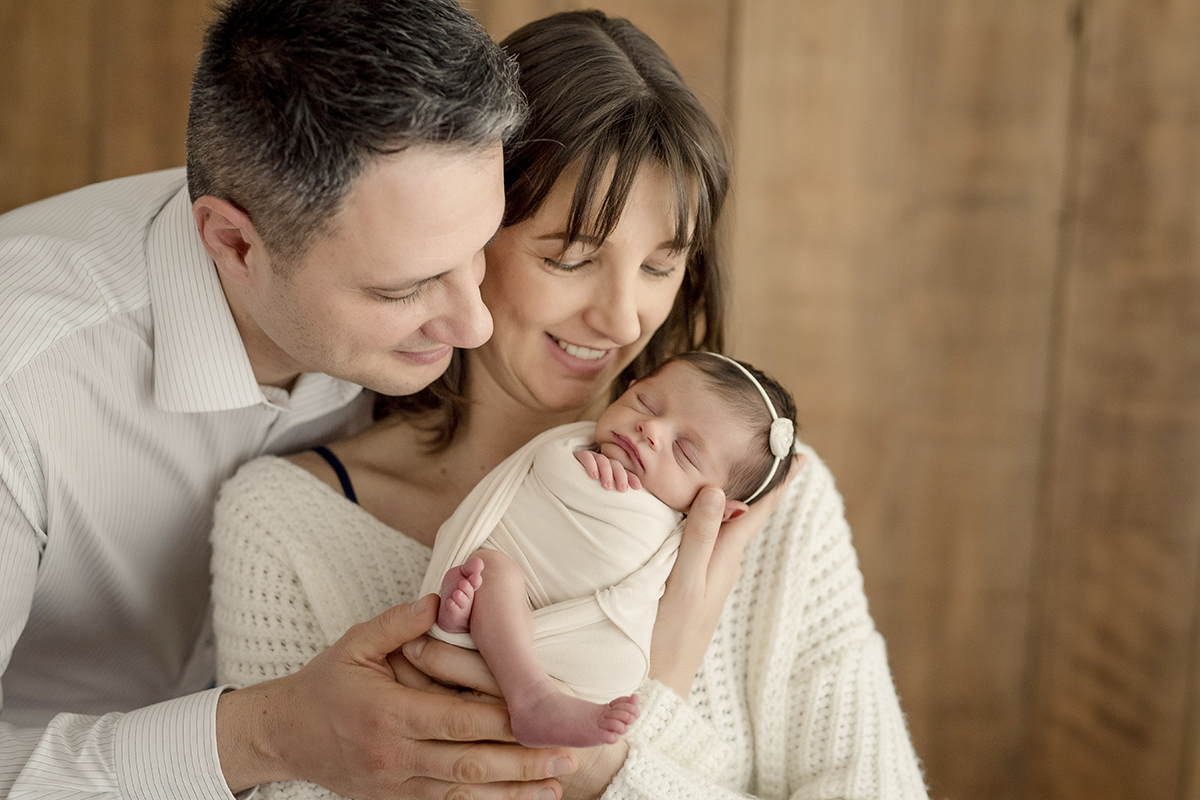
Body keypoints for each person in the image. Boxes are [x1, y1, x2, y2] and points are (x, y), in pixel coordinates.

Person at [211, 9, 929, 800]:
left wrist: (619, 760)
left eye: (661, 265)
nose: (623, 319)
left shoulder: (765, 507)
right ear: (466, 234)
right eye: (572, 258)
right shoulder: (286, 525)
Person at [0, 0, 589, 797]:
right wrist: (265, 737)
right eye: (405, 287)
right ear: (235, 243)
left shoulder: (401, 286)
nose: (476, 324)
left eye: (479, 249)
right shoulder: (21, 382)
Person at [427, 352, 799, 749]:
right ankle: (516, 676)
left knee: (616, 660)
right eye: (646, 404)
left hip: (586, 650)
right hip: (505, 593)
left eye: (685, 452)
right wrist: (578, 466)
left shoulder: (681, 535)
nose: (651, 428)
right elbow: (537, 482)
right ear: (630, 388)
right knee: (489, 570)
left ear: (723, 511)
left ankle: (510, 666)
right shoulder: (571, 446)